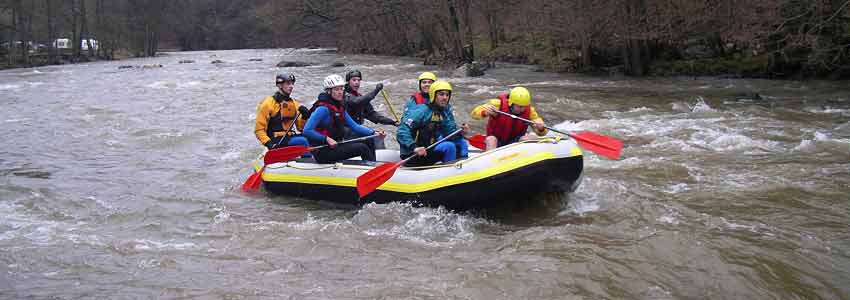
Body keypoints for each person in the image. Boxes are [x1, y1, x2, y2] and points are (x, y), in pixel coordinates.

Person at [303, 74, 386, 164]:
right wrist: (326, 139)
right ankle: (371, 170)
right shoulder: (322, 109)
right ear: (329, 91)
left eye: (341, 89)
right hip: (323, 151)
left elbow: (355, 126)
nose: (340, 92)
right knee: (362, 148)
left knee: (369, 139)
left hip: (336, 146)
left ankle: (372, 166)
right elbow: (307, 131)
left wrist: (374, 133)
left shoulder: (339, 107)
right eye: (336, 89)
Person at [397, 80, 469, 167]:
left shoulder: (442, 113)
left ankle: (461, 169)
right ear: (433, 95)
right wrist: (414, 147)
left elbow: (449, 133)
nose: (445, 97)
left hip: (427, 149)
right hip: (413, 154)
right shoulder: (421, 111)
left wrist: (461, 132)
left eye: (447, 95)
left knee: (460, 144)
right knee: (449, 146)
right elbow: (402, 131)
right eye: (441, 94)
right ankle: (449, 172)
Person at [470, 86, 548, 150]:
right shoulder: (497, 104)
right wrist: (485, 112)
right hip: (497, 141)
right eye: (519, 106)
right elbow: (473, 114)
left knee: (532, 137)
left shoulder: (530, 111)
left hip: (515, 141)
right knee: (491, 139)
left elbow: (542, 133)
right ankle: (489, 163)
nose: (522, 109)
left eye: (525, 106)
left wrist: (541, 128)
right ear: (511, 103)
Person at [254, 71, 311, 150]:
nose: (291, 86)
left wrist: (304, 117)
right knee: (302, 141)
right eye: (288, 84)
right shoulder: (268, 103)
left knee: (312, 138)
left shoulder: (294, 103)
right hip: (275, 140)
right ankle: (308, 159)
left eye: (292, 83)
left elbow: (300, 128)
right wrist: (269, 144)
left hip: (289, 137)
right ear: (280, 85)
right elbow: (259, 130)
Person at [343, 69, 397, 150]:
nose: (357, 82)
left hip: (356, 129)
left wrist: (393, 122)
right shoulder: (343, 95)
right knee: (374, 136)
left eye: (358, 80)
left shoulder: (360, 97)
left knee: (379, 136)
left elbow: (373, 115)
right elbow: (356, 102)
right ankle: (372, 157)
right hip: (344, 132)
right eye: (354, 80)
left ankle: (379, 156)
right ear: (348, 82)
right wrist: (376, 91)